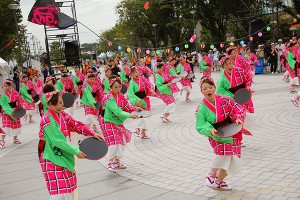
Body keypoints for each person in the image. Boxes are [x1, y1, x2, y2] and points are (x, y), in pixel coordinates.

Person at [38, 84, 103, 199]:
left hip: (63, 149)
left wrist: (92, 133)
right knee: (58, 188)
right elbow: (57, 140)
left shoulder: (62, 114)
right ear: (48, 104)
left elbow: (75, 124)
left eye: (61, 102)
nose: (60, 106)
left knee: (68, 184)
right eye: (56, 104)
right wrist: (75, 150)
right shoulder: (47, 120)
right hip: (50, 154)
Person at [195, 77, 251, 190]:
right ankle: (211, 175)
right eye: (204, 88)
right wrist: (209, 130)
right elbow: (200, 125)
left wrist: (238, 118)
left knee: (233, 160)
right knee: (224, 153)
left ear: (215, 88)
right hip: (216, 134)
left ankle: (219, 182)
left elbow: (237, 107)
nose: (208, 90)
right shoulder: (200, 108)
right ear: (201, 92)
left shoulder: (224, 99)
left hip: (231, 131)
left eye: (210, 87)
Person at [99, 76, 140, 173]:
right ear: (111, 87)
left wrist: (136, 108)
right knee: (115, 142)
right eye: (115, 87)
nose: (118, 89)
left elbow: (127, 106)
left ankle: (117, 161)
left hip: (117, 121)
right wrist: (130, 116)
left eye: (119, 87)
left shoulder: (121, 95)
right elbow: (117, 111)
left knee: (123, 140)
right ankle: (110, 163)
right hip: (107, 121)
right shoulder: (108, 97)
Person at [0, 79, 28, 148]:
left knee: (16, 126)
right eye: (5, 86)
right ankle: (2, 140)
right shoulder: (3, 95)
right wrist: (8, 111)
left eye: (8, 86)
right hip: (6, 112)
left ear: (11, 86)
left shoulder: (15, 93)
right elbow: (3, 104)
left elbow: (21, 100)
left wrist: (23, 105)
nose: (7, 88)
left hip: (15, 112)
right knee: (5, 126)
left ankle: (15, 138)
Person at [128, 67, 154, 139]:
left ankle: (143, 132)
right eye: (134, 73)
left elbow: (148, 84)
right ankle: (137, 129)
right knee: (145, 117)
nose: (136, 74)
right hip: (139, 101)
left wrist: (151, 90)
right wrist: (136, 101)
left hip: (145, 99)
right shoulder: (131, 83)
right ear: (131, 75)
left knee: (147, 117)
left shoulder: (142, 79)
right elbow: (131, 94)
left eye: (136, 72)